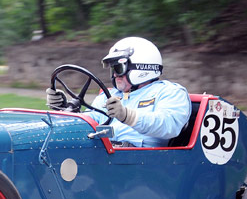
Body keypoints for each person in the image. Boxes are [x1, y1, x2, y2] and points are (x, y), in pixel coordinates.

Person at [45, 36, 191, 147]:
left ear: (142, 68)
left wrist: (127, 115)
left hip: (141, 162)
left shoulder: (170, 92)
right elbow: (91, 122)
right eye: (113, 69)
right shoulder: (110, 95)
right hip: (105, 155)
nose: (114, 74)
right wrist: (64, 110)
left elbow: (169, 126)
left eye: (119, 68)